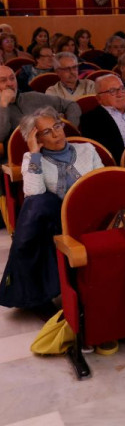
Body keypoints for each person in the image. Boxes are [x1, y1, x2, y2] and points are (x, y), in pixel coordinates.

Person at [0, 107, 103, 313]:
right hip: (58, 220)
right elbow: (32, 192)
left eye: (57, 126)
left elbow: (102, 183)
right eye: (46, 132)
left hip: (93, 211)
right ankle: (38, 291)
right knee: (37, 204)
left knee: (33, 220)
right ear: (36, 138)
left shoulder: (87, 150)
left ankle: (29, 288)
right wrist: (35, 154)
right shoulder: (32, 159)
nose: (56, 134)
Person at [0, 65, 81, 143]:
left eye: (12, 78)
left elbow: (71, 105)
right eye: (3, 80)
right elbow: (1, 136)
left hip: (55, 148)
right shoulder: (2, 108)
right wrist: (3, 105)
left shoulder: (32, 97)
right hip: (22, 153)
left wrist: (70, 129)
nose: (10, 84)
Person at [79, 74, 125, 162]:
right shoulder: (91, 120)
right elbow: (103, 156)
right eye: (112, 91)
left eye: (122, 88)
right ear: (99, 98)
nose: (120, 94)